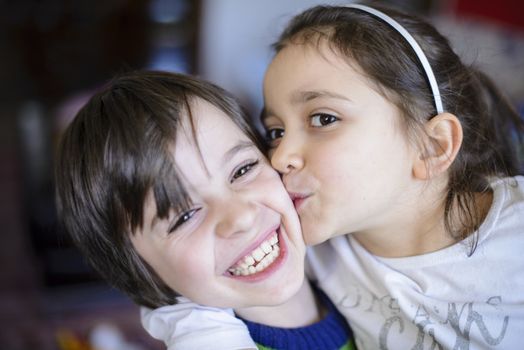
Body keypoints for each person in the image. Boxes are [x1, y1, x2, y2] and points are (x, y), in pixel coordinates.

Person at [146, 3, 524, 349]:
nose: (280, 157)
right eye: (275, 132)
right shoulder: (311, 247)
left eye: (323, 119)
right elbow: (190, 298)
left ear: (432, 146)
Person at [54, 70, 354, 349]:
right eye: (184, 217)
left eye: (243, 170)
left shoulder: (358, 255)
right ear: (138, 270)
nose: (241, 218)